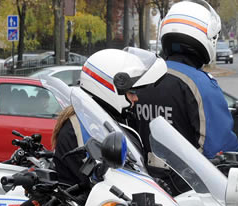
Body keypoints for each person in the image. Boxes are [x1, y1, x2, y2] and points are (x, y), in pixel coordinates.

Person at [132, 0, 238, 187]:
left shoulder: (141, 79)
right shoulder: (201, 85)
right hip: (189, 193)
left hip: (142, 185)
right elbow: (221, 150)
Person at [52, 48, 167, 187]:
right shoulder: (80, 129)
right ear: (109, 88)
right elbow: (99, 181)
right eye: (132, 92)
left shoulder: (104, 120)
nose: (136, 98)